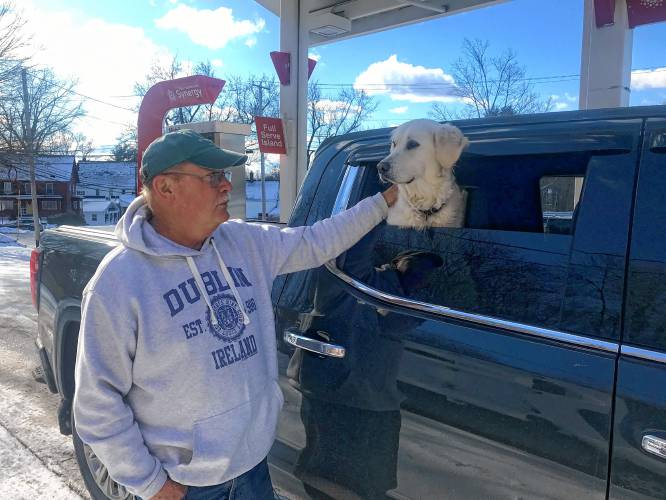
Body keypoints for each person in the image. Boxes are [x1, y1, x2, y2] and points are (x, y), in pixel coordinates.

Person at [72, 129, 398, 500]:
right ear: (165, 188)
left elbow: (316, 241)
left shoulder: (244, 242)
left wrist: (386, 200)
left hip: (253, 468)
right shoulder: (119, 282)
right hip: (184, 485)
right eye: (213, 178)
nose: (227, 186)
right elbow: (97, 404)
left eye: (224, 176)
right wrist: (151, 485)